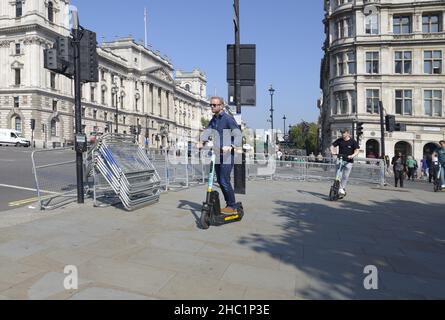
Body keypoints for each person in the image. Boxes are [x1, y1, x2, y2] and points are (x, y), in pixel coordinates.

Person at [200, 97, 241, 214]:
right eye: (211, 105)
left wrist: (231, 146)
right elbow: (207, 131)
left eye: (214, 105)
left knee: (224, 180)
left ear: (221, 106)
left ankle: (232, 206)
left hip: (228, 155)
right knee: (220, 180)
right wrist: (201, 141)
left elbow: (238, 135)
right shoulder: (214, 119)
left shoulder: (228, 119)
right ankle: (229, 204)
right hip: (217, 154)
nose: (212, 107)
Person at [330, 129, 360, 196]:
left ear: (348, 133)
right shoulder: (340, 140)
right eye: (342, 133)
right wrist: (332, 151)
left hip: (349, 161)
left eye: (344, 133)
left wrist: (352, 155)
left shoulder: (353, 141)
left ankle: (342, 188)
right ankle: (338, 187)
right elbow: (332, 146)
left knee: (345, 176)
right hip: (340, 160)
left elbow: (357, 150)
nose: (342, 134)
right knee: (338, 175)